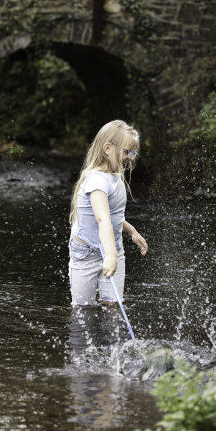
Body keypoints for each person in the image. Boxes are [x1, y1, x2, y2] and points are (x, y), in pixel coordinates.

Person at [69, 120, 148, 311]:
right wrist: (110, 256)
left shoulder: (115, 176)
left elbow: (114, 217)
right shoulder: (96, 180)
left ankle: (110, 342)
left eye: (133, 153)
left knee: (112, 307)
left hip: (114, 250)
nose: (130, 157)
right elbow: (102, 218)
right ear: (107, 148)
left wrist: (132, 231)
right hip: (86, 253)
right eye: (127, 151)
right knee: (83, 310)